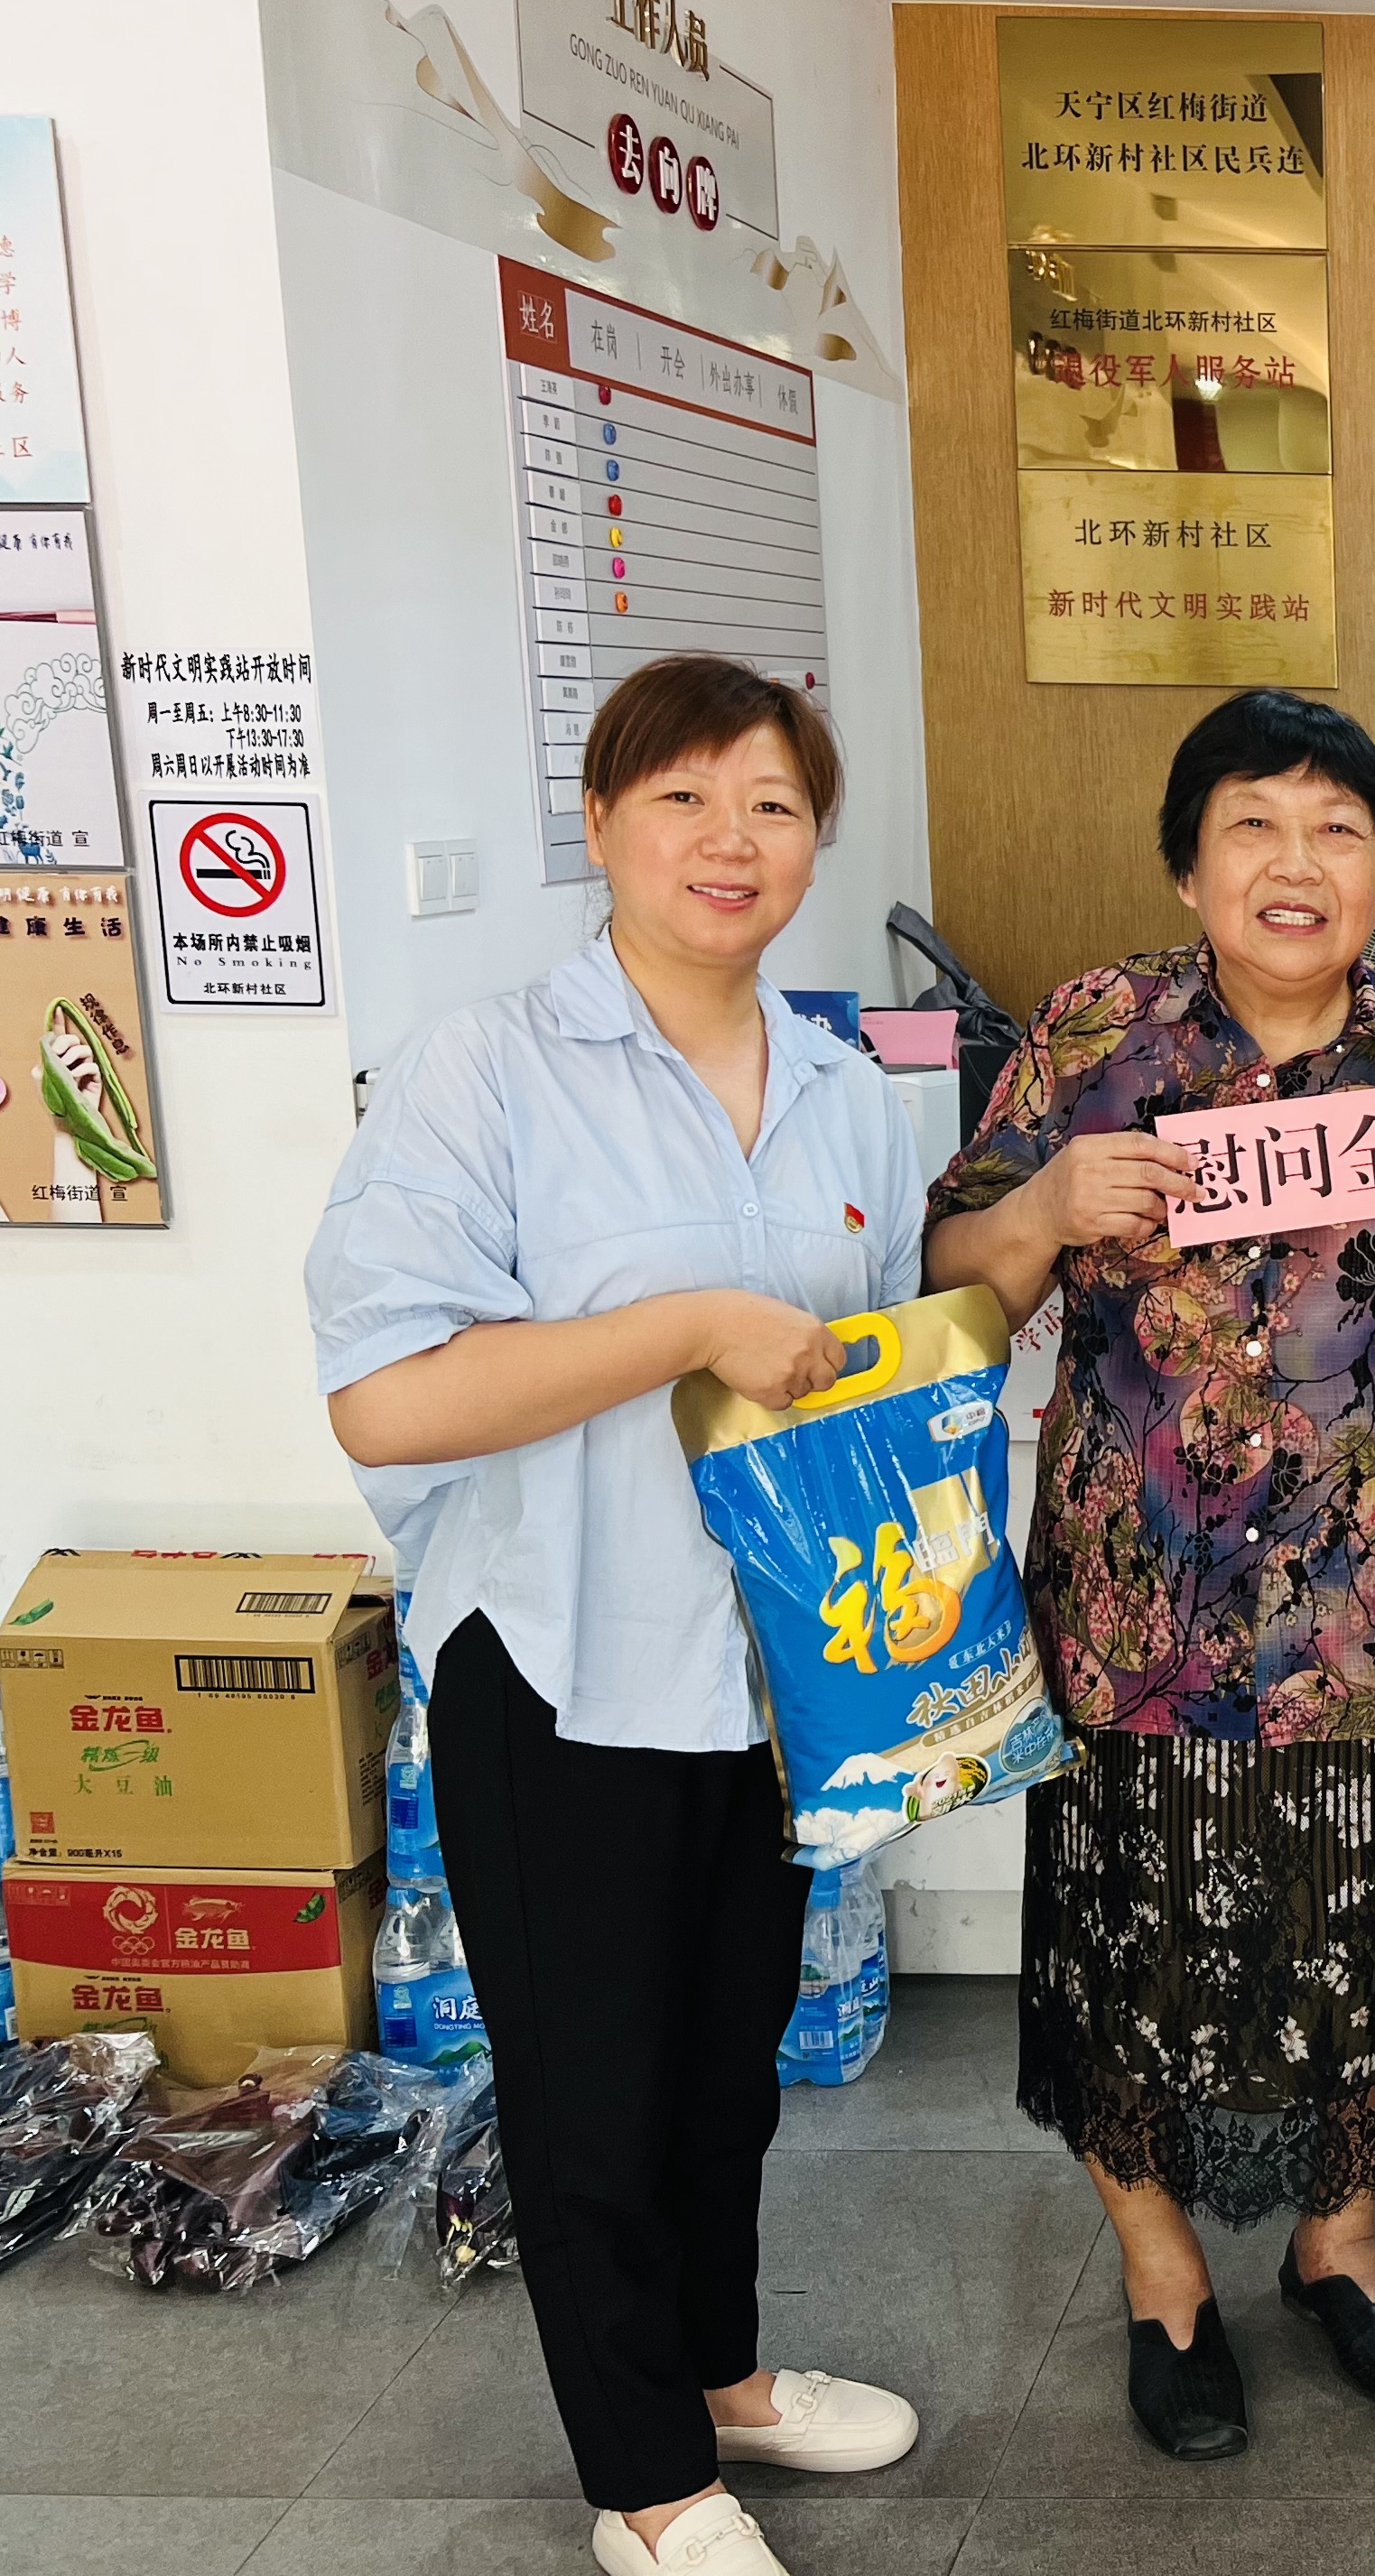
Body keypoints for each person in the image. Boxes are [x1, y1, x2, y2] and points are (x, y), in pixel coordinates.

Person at [922, 689, 1375, 2463]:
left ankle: (1339, 2242)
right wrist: (1045, 1209)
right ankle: (1161, 2276)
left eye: (1338, 832)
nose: (1297, 864)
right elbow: (958, 1282)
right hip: (1147, 1606)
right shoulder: (1094, 1032)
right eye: (1254, 824)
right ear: (1188, 861)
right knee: (1131, 1949)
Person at [310, 655, 927, 2576]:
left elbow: (864, 1374)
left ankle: (722, 2376)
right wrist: (681, 1328)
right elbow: (387, 1397)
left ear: (815, 841)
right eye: (683, 797)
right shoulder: (485, 1070)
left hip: (770, 1670)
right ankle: (649, 2482)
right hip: (561, 1658)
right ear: (598, 822)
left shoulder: (845, 1095)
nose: (730, 840)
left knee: (730, 2061)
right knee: (591, 2091)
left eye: (773, 804)